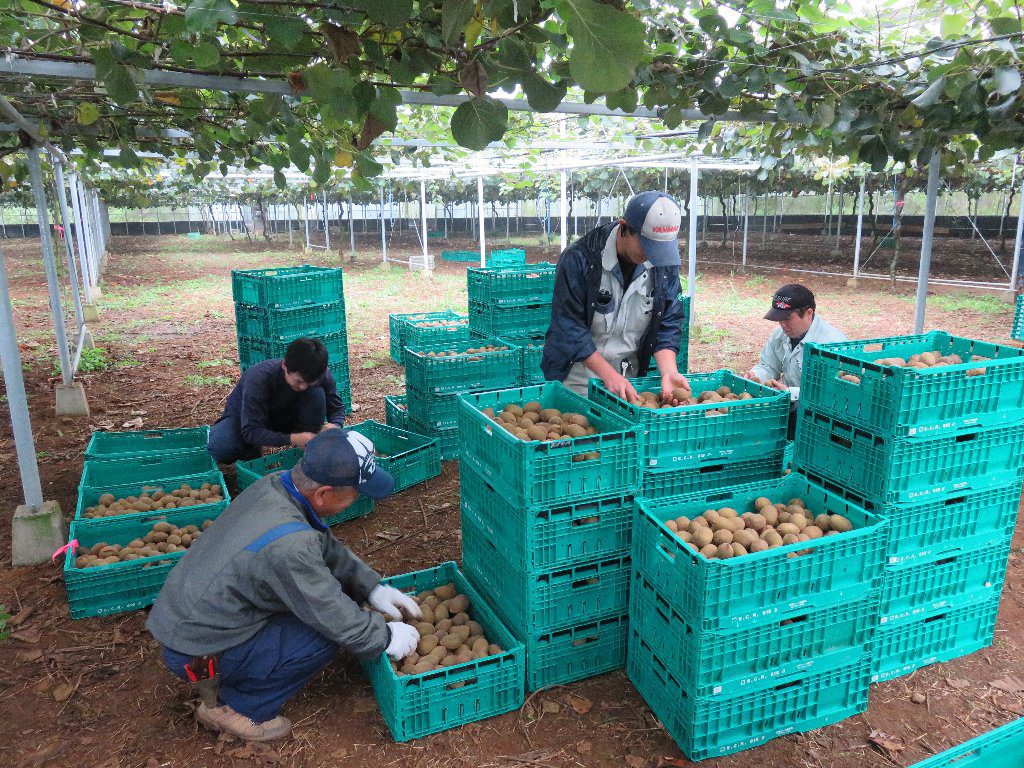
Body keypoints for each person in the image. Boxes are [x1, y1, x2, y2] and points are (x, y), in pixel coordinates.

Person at [146, 429, 422, 742]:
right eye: (356, 493)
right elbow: (334, 616)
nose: (357, 499)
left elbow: (321, 544)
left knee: (341, 601)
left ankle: (236, 677)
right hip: (196, 650)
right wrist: (383, 637)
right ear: (323, 494)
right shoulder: (289, 545)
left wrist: (371, 587)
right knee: (327, 630)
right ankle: (235, 710)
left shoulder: (276, 486)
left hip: (192, 620)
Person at [541, 191, 690, 403]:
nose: (651, 256)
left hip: (629, 382)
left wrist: (669, 371)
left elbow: (668, 319)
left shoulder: (663, 264)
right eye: (647, 246)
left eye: (660, 249)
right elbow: (568, 326)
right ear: (623, 227)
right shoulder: (580, 258)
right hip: (578, 379)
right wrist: (608, 375)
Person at [208, 337, 346, 464]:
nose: (303, 387)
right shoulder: (258, 378)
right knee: (223, 447)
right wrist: (293, 438)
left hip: (288, 418)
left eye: (309, 382)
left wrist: (335, 425)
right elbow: (251, 430)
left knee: (317, 394)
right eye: (299, 381)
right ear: (285, 365)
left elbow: (337, 408)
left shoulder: (321, 374)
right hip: (248, 420)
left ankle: (306, 449)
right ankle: (251, 451)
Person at [748, 283, 847, 438]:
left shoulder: (831, 343)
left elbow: (830, 391)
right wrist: (757, 374)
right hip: (791, 400)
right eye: (778, 319)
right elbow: (768, 365)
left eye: (787, 318)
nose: (782, 324)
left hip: (823, 412)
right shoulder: (779, 334)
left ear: (808, 313)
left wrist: (790, 392)